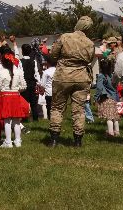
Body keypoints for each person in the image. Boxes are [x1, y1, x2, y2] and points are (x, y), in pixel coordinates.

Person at [48, 17, 95, 147]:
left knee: (57, 107)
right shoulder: (90, 43)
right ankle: (78, 141)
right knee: (79, 110)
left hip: (63, 76)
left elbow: (53, 55)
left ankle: (54, 139)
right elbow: (90, 59)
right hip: (82, 77)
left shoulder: (65, 37)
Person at [0, 46, 29, 148]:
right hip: (16, 96)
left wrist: (4, 89)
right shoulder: (18, 71)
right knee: (16, 120)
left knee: (7, 120)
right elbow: (24, 86)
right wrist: (16, 89)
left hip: (5, 97)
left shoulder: (1, 72)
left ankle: (8, 141)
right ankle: (18, 141)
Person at [19, 43, 41, 121]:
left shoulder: (20, 62)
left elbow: (20, 73)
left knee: (24, 102)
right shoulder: (34, 61)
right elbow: (36, 73)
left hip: (24, 84)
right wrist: (39, 83)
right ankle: (35, 118)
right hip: (32, 83)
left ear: (22, 51)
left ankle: (25, 118)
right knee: (34, 103)